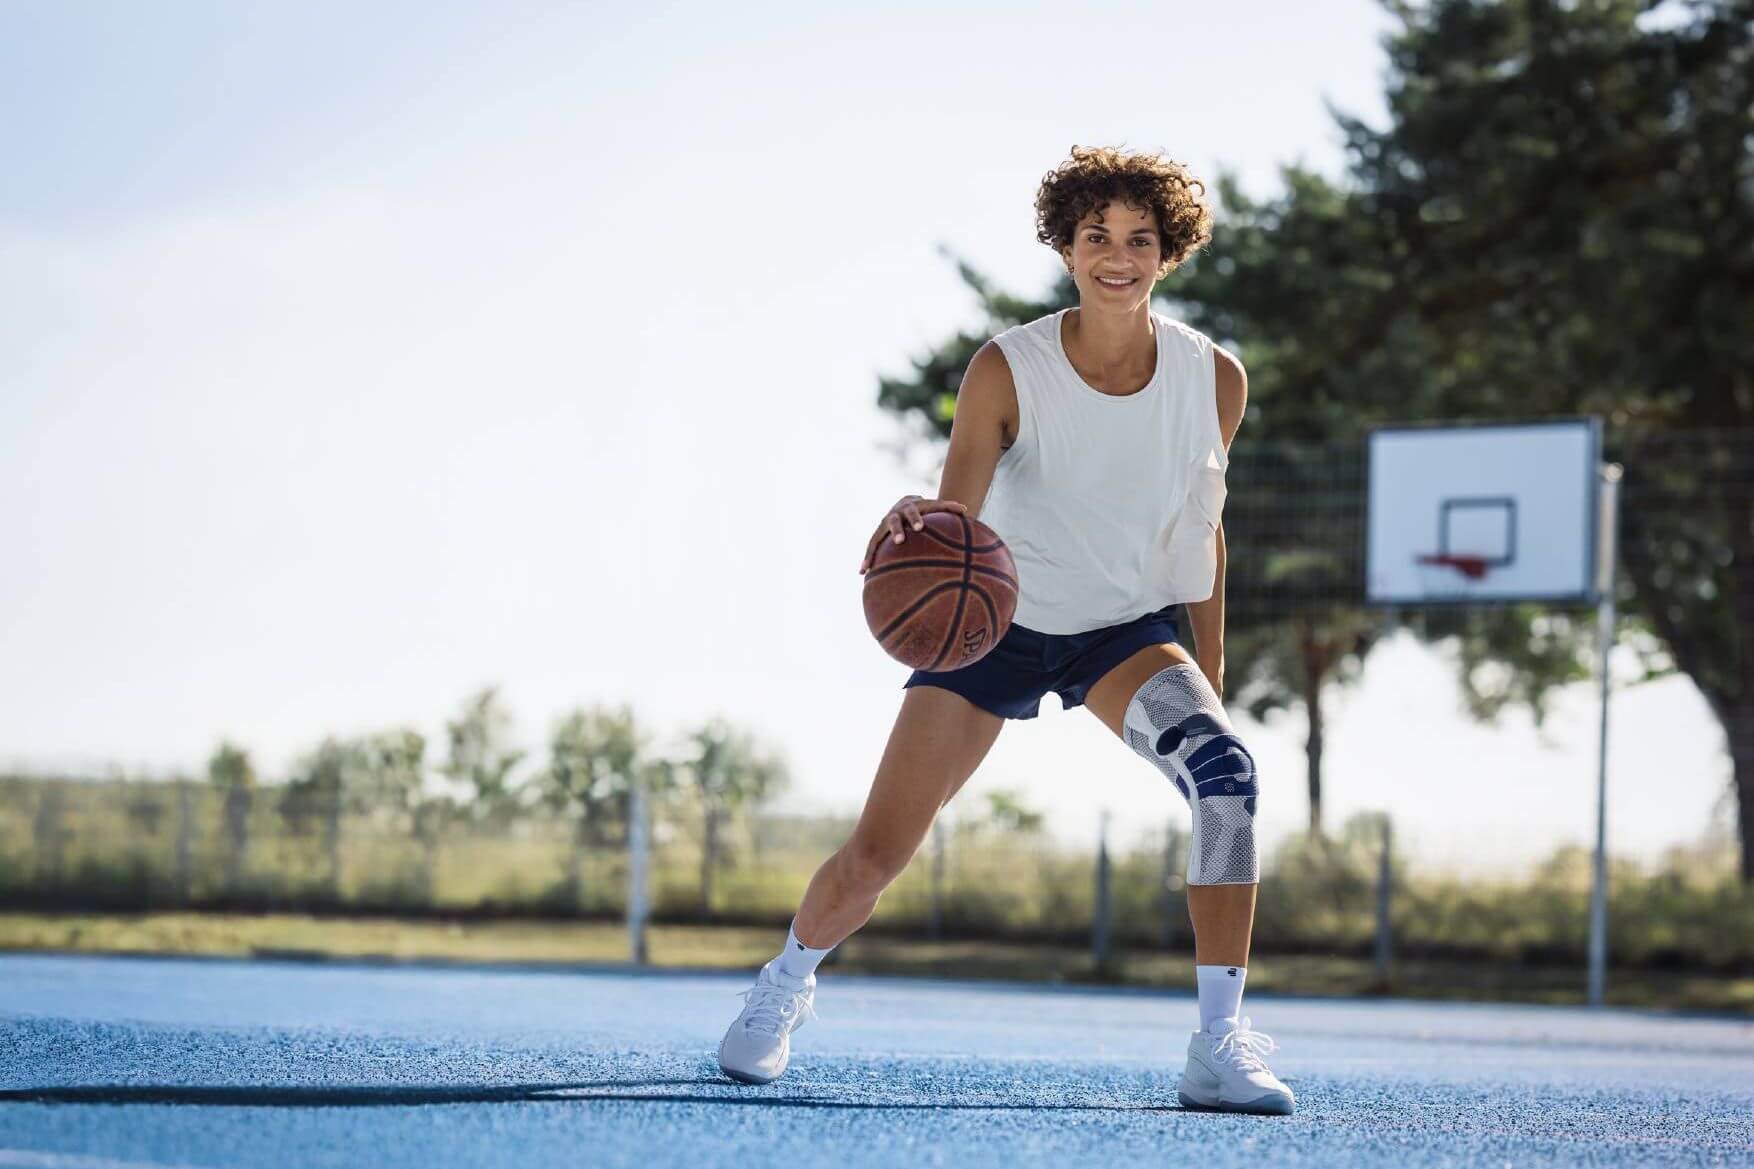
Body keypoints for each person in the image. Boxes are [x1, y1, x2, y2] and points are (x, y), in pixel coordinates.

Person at [716, 145, 1293, 1115]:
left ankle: (1216, 1042)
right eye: (1096, 236)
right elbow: (958, 524)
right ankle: (785, 979)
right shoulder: (1007, 368)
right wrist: (918, 522)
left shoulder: (1213, 379)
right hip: (998, 625)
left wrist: (1213, 676)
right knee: (875, 856)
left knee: (1225, 779)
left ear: (1168, 252)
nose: (1117, 256)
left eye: (1139, 239)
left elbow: (1206, 531)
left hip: (1122, 629)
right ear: (1065, 247)